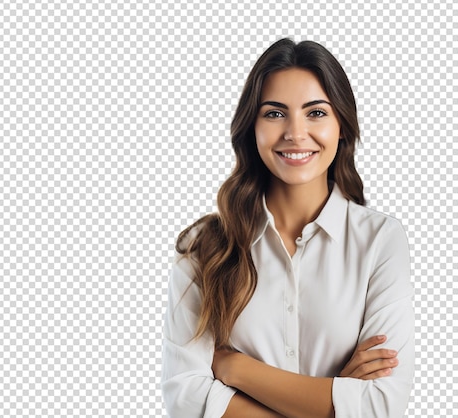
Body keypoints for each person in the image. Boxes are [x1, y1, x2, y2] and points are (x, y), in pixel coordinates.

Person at [161, 38, 415, 418]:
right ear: (253, 127)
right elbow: (185, 398)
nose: (295, 133)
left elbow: (380, 405)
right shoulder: (205, 248)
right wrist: (334, 399)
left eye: (315, 113)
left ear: (341, 125)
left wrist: (235, 368)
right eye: (275, 114)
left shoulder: (379, 242)